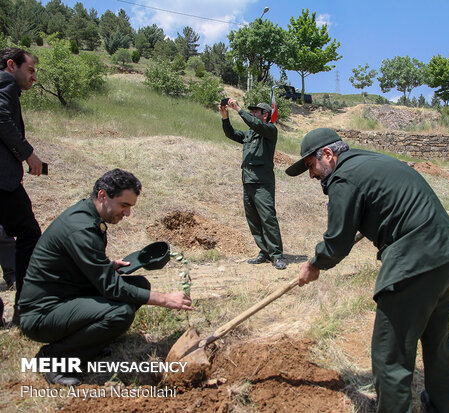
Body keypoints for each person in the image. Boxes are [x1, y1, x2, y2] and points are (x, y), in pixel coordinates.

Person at [286, 128, 449, 413]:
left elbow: (336, 242)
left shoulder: (344, 177)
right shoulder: (369, 162)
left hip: (415, 263)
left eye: (311, 165)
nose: (312, 175)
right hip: (448, 254)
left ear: (329, 155)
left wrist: (314, 264)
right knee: (437, 342)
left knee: (390, 356)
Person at [18, 169, 193, 386]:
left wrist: (106, 267)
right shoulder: (80, 228)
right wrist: (165, 299)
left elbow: (75, 265)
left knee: (139, 285)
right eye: (124, 205)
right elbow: (111, 288)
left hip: (66, 296)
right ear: (103, 196)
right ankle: (54, 359)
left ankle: (89, 343)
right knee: (120, 312)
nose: (127, 213)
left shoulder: (89, 216)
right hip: (42, 314)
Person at [0, 48, 43, 326]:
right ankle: (24, 307)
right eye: (30, 70)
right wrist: (29, 154)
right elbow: (1, 120)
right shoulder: (4, 84)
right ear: (11, 65)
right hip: (2, 184)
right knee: (29, 233)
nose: (34, 77)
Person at [219, 98, 287, 270]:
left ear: (265, 115)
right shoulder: (250, 134)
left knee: (268, 218)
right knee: (254, 220)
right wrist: (225, 117)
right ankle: (264, 252)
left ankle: (277, 255)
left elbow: (257, 125)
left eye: (256, 111)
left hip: (262, 184)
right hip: (247, 182)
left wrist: (239, 110)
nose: (253, 113)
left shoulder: (269, 130)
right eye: (252, 111)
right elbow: (232, 134)